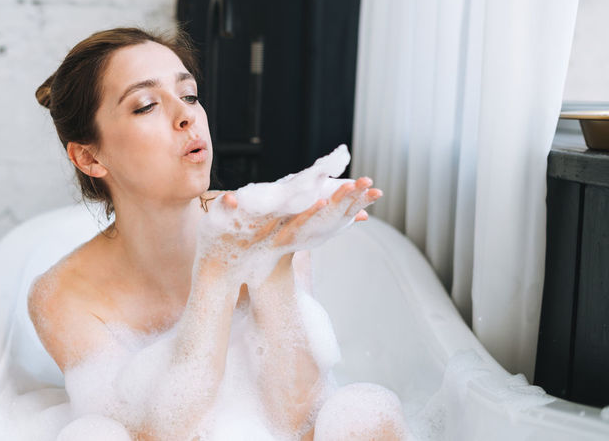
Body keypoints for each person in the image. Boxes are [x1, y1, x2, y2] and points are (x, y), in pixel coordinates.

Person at [29, 27, 407, 441]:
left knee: (370, 419)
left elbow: (298, 419)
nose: (187, 115)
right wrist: (217, 271)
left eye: (189, 95)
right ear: (89, 156)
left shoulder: (266, 223)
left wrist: (275, 259)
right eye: (146, 105)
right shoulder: (63, 295)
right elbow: (154, 436)